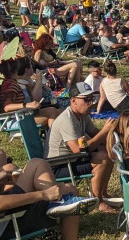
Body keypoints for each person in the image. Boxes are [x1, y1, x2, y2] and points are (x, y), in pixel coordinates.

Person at [45, 82, 119, 213]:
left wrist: (115, 136)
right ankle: (98, 201)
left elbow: (96, 136)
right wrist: (104, 132)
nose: (90, 103)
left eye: (92, 99)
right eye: (86, 100)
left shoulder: (82, 116)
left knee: (106, 151)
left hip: (72, 159)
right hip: (59, 165)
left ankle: (103, 193)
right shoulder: (66, 120)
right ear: (73, 101)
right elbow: (78, 150)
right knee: (102, 159)